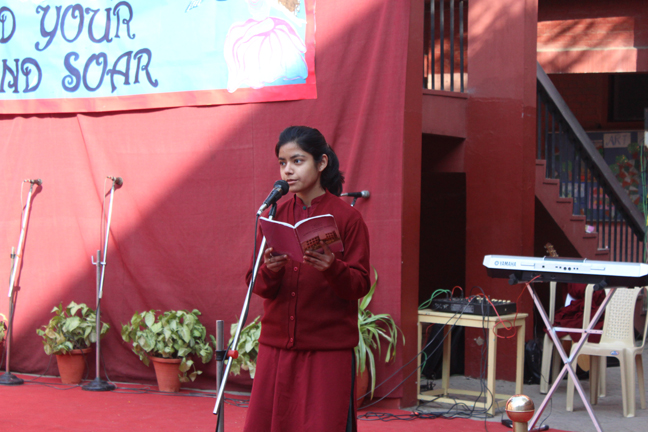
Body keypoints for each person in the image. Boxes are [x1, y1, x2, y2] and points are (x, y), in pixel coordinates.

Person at [244, 126, 371, 432]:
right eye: (282, 163)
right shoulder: (273, 215)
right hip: (276, 348)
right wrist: (270, 270)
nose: (288, 170)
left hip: (326, 351)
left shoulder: (347, 218)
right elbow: (255, 284)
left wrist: (332, 267)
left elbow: (360, 284)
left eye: (297, 161)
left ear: (322, 162)